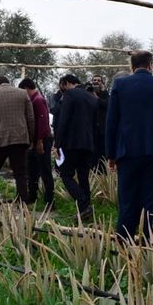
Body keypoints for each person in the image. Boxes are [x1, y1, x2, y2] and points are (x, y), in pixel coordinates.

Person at [106, 51, 153, 241]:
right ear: (151, 65)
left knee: (127, 199)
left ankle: (123, 240)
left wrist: (111, 154)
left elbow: (112, 122)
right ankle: (148, 243)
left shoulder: (120, 85)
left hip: (128, 152)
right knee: (151, 199)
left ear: (131, 66)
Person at [0, 76, 35, 209]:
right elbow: (30, 118)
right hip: (20, 139)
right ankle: (24, 203)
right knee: (20, 173)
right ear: (9, 83)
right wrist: (31, 138)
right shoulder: (22, 93)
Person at [54, 74, 98, 220]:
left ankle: (83, 202)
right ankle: (85, 210)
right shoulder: (91, 96)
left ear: (66, 83)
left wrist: (58, 143)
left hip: (72, 143)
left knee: (65, 174)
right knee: (83, 176)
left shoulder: (70, 94)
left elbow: (64, 120)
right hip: (88, 143)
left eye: (62, 86)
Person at [18, 78, 55, 208]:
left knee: (45, 170)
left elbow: (42, 123)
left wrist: (39, 142)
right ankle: (32, 195)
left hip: (42, 140)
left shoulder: (38, 100)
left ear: (26, 88)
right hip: (34, 141)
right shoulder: (32, 100)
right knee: (32, 169)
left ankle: (49, 200)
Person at [91, 74, 109, 172]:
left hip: (102, 129)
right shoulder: (89, 93)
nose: (96, 82)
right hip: (92, 129)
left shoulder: (105, 94)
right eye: (95, 80)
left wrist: (97, 97)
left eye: (99, 80)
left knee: (102, 153)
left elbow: (107, 105)